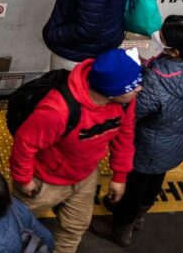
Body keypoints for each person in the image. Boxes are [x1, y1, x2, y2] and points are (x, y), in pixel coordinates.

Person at [10, 48, 142, 253]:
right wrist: (23, 178)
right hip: (43, 180)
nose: (139, 89)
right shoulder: (58, 110)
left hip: (85, 176)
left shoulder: (125, 103)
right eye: (133, 86)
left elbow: (125, 134)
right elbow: (25, 144)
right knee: (13, 226)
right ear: (112, 91)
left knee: (74, 228)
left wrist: (120, 175)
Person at [90, 15, 183, 246]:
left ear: (175, 52)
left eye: (162, 37)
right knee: (154, 181)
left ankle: (121, 230)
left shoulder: (156, 81)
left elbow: (134, 114)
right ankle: (139, 217)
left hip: (149, 147)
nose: (158, 36)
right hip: (177, 142)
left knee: (134, 189)